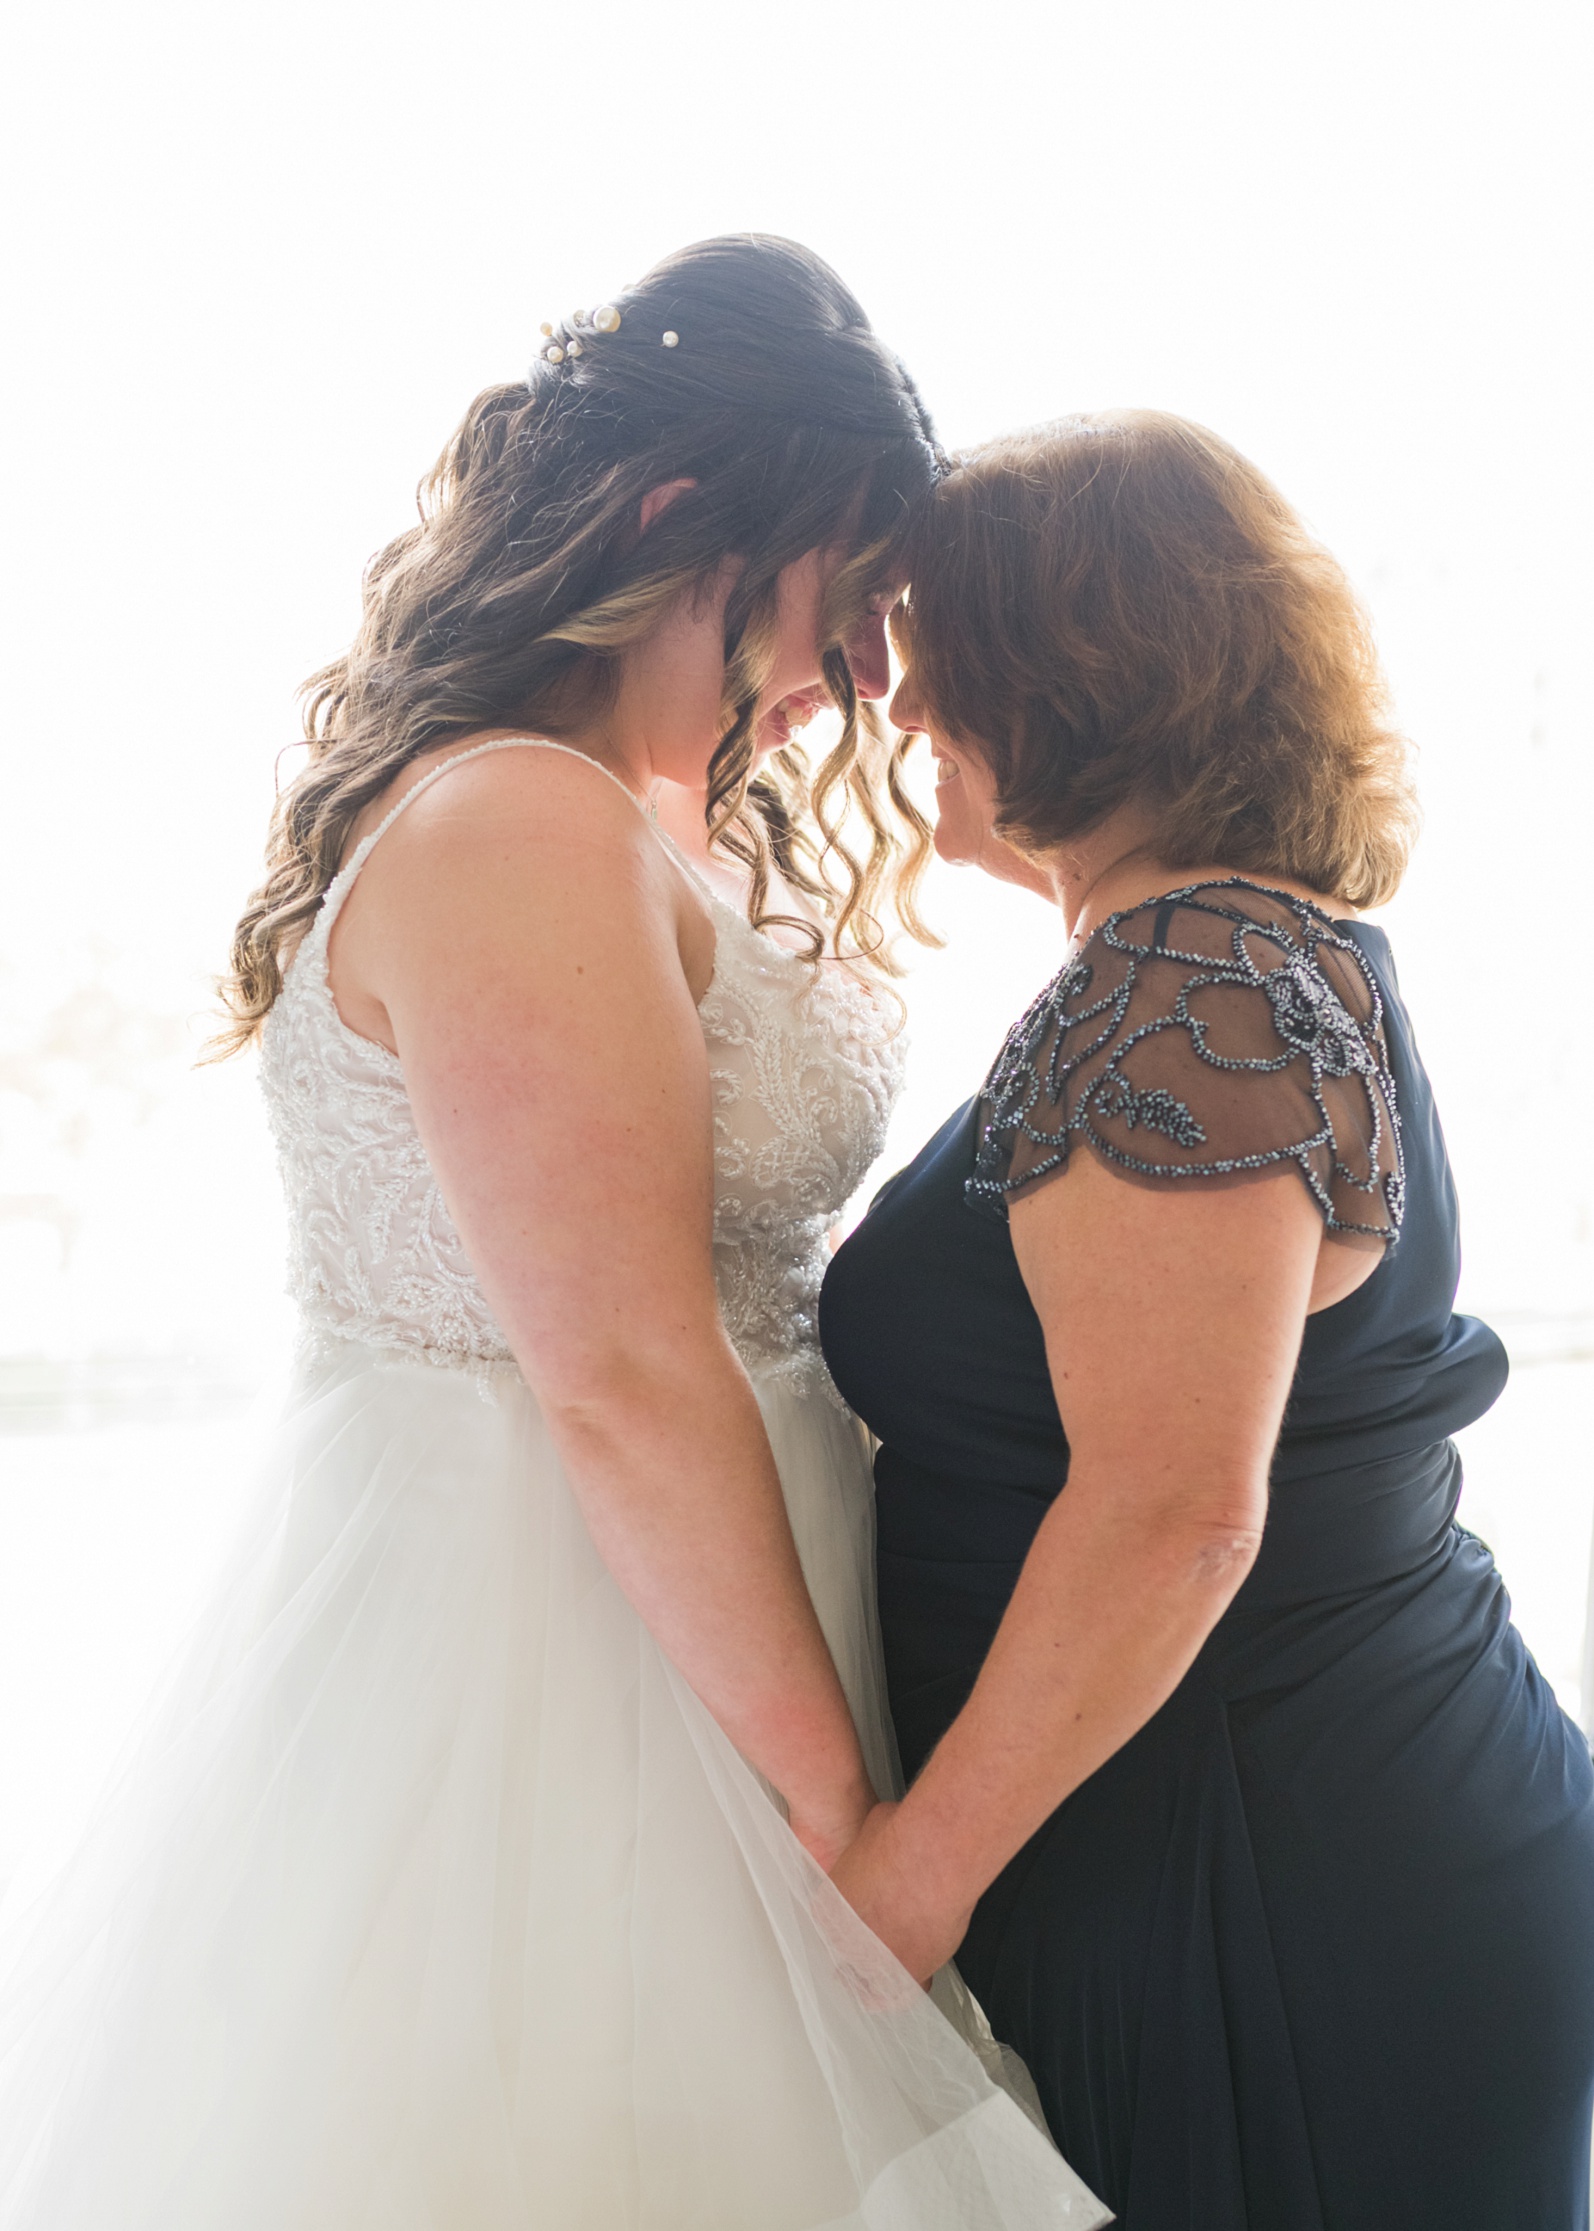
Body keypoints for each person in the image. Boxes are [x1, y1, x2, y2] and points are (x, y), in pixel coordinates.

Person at [0, 240, 1106, 2229]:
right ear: (683, 520)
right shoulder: (513, 824)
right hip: (551, 1660)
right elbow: (618, 1369)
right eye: (847, 592)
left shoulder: (659, 814)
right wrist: (840, 1832)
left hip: (721, 1606)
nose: (866, 668)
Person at [820, 409, 1594, 2228]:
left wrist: (901, 1893)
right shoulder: (1238, 951)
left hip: (1272, 1858)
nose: (902, 707)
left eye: (941, 654)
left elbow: (1173, 1516)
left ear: (1074, 675)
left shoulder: (1189, 985)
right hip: (1297, 1807)